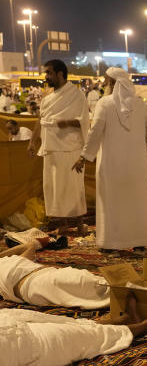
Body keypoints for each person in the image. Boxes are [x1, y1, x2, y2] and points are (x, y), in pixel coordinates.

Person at [73, 67, 147, 252]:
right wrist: (140, 146)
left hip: (111, 165)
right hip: (137, 165)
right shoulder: (140, 104)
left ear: (113, 82)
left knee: (112, 202)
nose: (103, 84)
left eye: (105, 80)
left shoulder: (105, 103)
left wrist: (84, 157)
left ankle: (111, 244)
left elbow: (95, 133)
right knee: (136, 202)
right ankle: (139, 241)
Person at [0, 297, 147, 366]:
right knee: (85, 337)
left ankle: (124, 320)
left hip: (7, 322)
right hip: (22, 346)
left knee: (69, 323)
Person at [28, 59, 89, 236]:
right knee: (55, 187)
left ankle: (79, 223)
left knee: (73, 186)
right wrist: (32, 141)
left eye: (49, 73)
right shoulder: (47, 99)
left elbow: (84, 122)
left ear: (60, 74)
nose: (46, 76)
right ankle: (63, 223)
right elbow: (40, 120)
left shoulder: (77, 95)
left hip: (71, 149)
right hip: (51, 148)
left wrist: (67, 122)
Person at [0, 240, 109, 308]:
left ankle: (122, 292)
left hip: (47, 273)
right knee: (85, 284)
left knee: (88, 279)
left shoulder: (12, 260)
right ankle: (122, 295)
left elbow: (30, 245)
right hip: (33, 284)